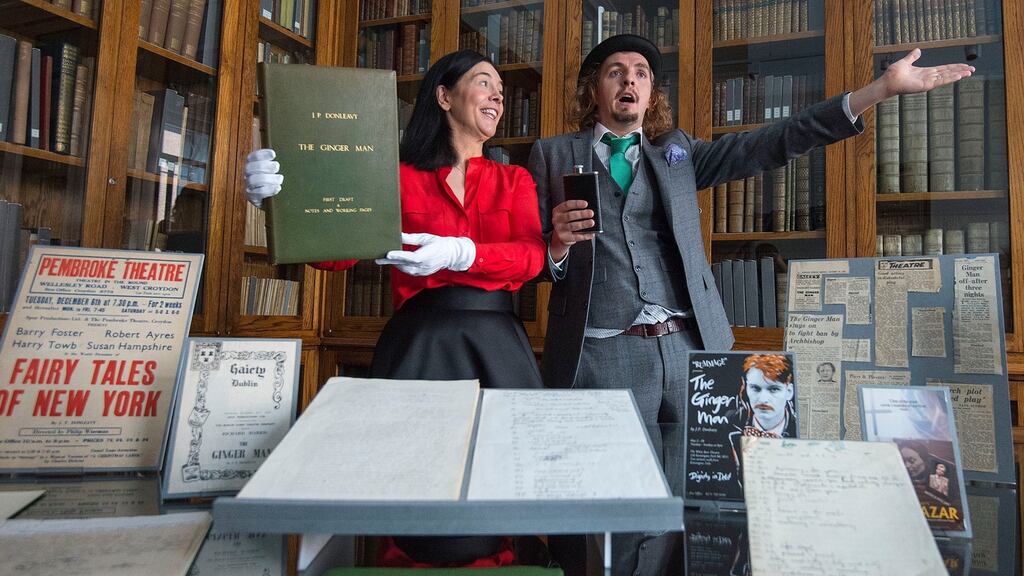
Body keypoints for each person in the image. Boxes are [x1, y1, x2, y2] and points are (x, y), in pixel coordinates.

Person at [530, 33, 972, 576]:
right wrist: (555, 246)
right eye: (615, 71)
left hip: (691, 353)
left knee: (691, 504)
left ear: (651, 92)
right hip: (603, 353)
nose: (629, 81)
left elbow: (771, 142)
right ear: (593, 89)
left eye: (641, 72)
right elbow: (530, 261)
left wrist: (875, 91)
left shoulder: (677, 155)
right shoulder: (552, 155)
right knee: (614, 502)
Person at [244, 49, 546, 567]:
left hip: (497, 345)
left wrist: (460, 252)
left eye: (500, 87)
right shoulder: (396, 177)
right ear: (444, 96)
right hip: (420, 345)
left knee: (502, 490)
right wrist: (279, 201)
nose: (498, 94)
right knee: (414, 490)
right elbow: (336, 250)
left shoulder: (513, 180)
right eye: (483, 82)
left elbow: (532, 258)